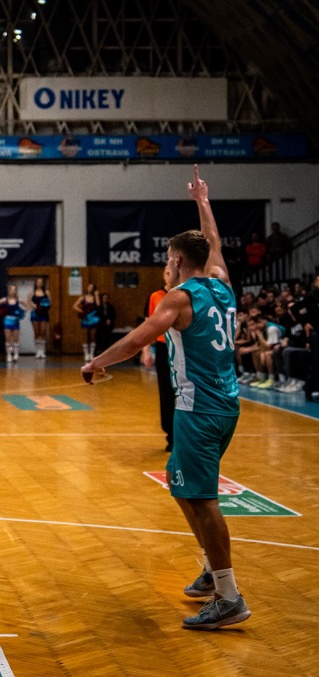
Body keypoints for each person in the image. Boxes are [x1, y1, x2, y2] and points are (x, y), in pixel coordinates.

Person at [83, 166, 249, 631]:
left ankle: (229, 596)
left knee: (203, 499)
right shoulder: (221, 283)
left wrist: (96, 363)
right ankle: (212, 568)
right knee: (182, 486)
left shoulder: (178, 298)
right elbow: (214, 243)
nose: (167, 264)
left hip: (199, 409)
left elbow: (137, 340)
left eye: (169, 259)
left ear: (176, 259)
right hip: (225, 405)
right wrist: (203, 200)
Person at [145, 269, 176, 451]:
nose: (169, 274)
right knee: (166, 392)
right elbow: (148, 325)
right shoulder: (156, 296)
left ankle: (187, 435)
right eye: (166, 272)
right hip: (163, 347)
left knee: (184, 392)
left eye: (172, 271)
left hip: (182, 348)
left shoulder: (183, 294)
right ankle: (171, 435)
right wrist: (146, 351)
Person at [0, 285, 26, 364]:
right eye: (12, 289)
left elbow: (26, 305)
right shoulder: (5, 299)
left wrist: (22, 313)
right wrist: (0, 312)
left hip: (15, 320)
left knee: (16, 338)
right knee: (8, 338)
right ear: (9, 291)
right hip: (7, 320)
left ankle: (16, 354)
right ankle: (9, 355)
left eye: (14, 290)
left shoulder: (18, 300)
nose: (13, 291)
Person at [73, 284, 100, 361]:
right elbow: (74, 306)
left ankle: (91, 353)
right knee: (85, 336)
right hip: (85, 318)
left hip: (93, 318)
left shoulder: (94, 297)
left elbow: (98, 305)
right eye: (89, 287)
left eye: (92, 288)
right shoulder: (83, 297)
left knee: (92, 336)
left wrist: (96, 295)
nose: (90, 289)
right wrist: (81, 311)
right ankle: (86, 353)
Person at [28, 277, 52, 359]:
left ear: (43, 283)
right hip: (35, 313)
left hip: (44, 313)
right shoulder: (32, 293)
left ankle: (42, 350)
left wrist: (45, 305)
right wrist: (33, 305)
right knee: (37, 332)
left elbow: (50, 303)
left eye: (41, 282)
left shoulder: (46, 292)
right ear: (36, 283)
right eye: (38, 282)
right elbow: (29, 302)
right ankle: (38, 351)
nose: (39, 283)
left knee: (43, 331)